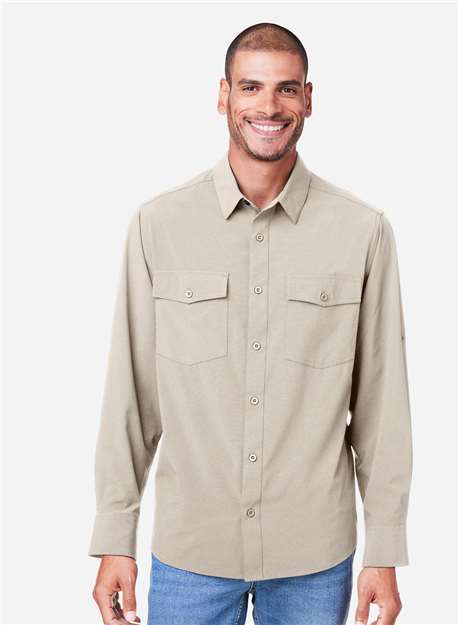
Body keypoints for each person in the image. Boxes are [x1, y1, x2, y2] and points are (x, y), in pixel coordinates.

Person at [89, 22, 413, 625]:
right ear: (223, 96)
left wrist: (384, 549)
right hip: (190, 554)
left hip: (315, 558)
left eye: (287, 89)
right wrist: (115, 536)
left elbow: (381, 405)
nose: (269, 106)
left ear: (308, 100)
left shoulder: (362, 232)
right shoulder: (158, 226)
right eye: (251, 87)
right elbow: (132, 396)